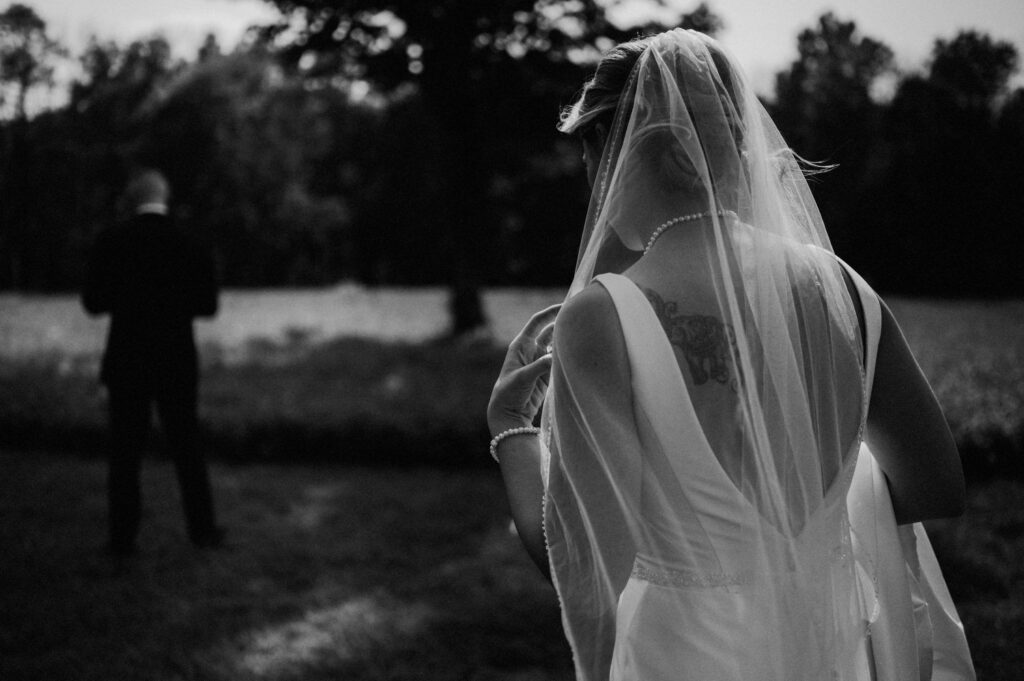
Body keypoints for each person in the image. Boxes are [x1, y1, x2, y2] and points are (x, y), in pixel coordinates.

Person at [488, 30, 973, 681]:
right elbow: (936, 486)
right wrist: (806, 529)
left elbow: (582, 566)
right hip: (830, 654)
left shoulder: (604, 317)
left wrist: (514, 431)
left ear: (608, 149)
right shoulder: (847, 294)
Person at [83, 168, 223, 557]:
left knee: (125, 453)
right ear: (167, 198)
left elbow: (93, 303)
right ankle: (203, 530)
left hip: (127, 359)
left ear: (132, 198)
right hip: (176, 360)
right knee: (187, 448)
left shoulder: (112, 241)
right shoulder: (191, 242)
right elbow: (208, 307)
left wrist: (128, 298)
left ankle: (122, 540)